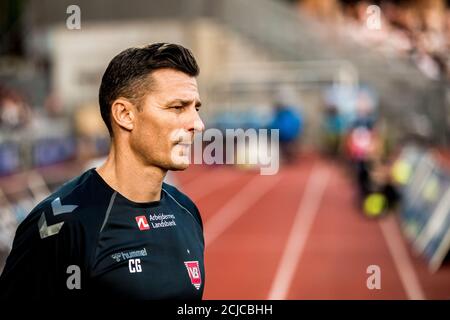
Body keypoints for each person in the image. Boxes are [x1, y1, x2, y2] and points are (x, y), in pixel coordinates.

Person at [0, 43, 206, 299]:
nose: (197, 124)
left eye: (195, 108)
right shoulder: (60, 224)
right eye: (177, 107)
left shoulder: (186, 211)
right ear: (124, 114)